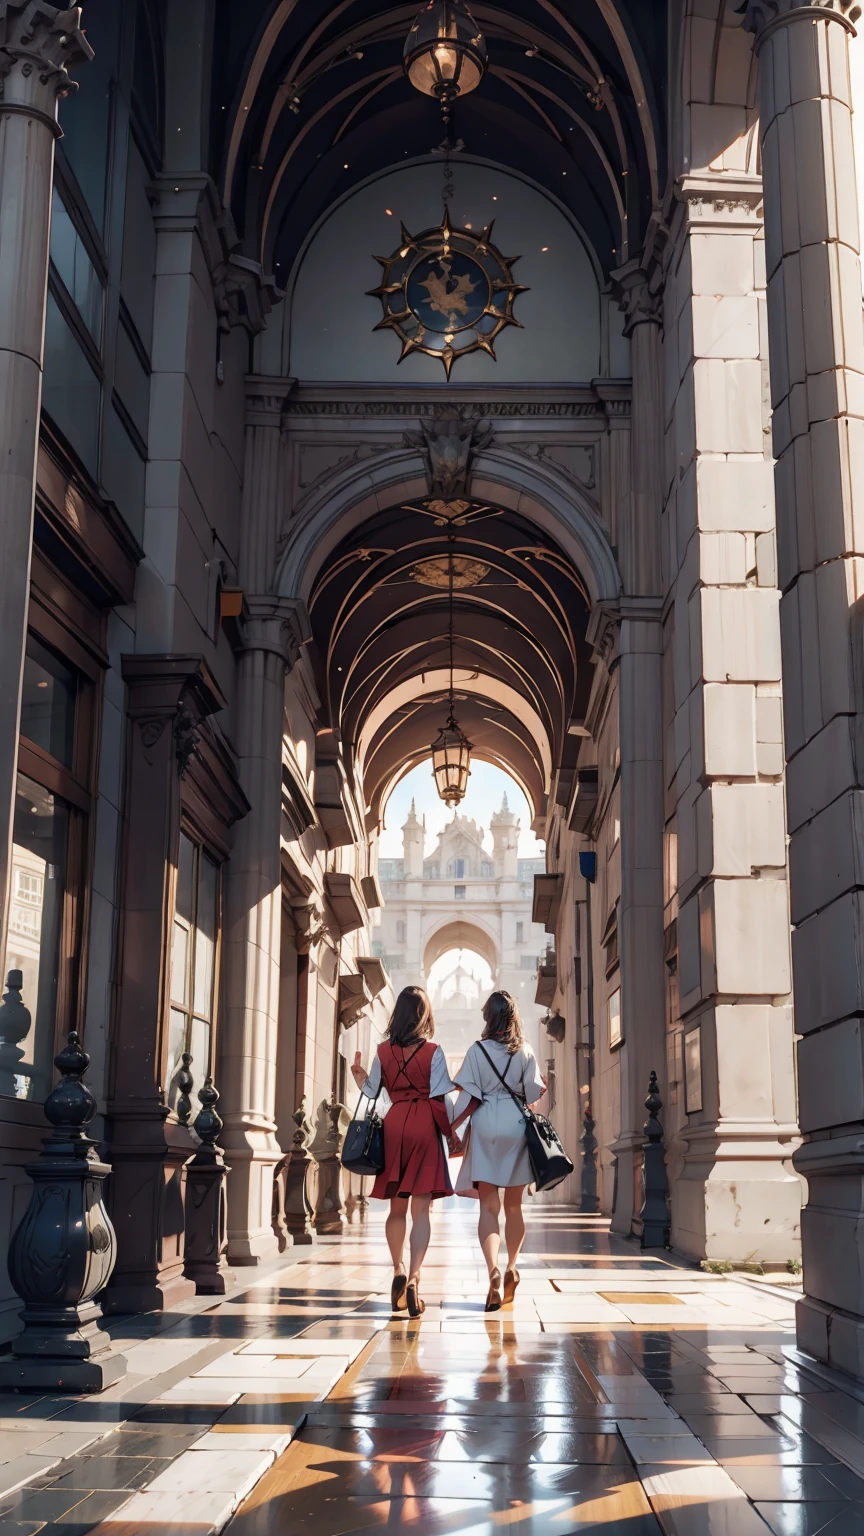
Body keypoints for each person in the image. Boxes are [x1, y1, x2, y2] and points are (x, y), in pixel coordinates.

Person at [351, 985, 461, 1318]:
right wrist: (451, 1134)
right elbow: (440, 1097)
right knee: (421, 1212)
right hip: (424, 1127)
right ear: (424, 1016)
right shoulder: (433, 1051)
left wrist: (358, 1075)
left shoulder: (383, 1051)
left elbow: (371, 1092)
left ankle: (397, 1268)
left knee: (396, 1209)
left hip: (394, 1123)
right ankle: (414, 1278)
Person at [450, 990, 546, 1313]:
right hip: (516, 1125)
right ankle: (511, 1267)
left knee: (488, 1208)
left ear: (488, 1017)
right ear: (514, 1016)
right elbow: (535, 1092)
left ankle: (491, 1271)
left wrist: (451, 1127)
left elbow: (467, 1098)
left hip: (486, 1126)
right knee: (514, 1207)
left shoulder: (476, 1052)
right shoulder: (525, 1051)